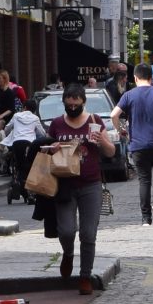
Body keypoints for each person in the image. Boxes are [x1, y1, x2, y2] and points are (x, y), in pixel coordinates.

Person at [41, 82, 117, 293]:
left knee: (88, 233)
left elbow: (111, 152)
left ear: (83, 102)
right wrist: (52, 148)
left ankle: (85, 276)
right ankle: (68, 254)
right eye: (69, 105)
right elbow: (45, 151)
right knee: (66, 231)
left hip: (91, 183)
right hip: (65, 184)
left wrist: (102, 141)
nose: (73, 108)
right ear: (64, 103)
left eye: (76, 104)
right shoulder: (57, 124)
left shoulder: (94, 121)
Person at [117, 62, 153, 224]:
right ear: (151, 77)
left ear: (135, 78)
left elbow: (114, 114)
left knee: (144, 180)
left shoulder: (128, 95)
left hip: (138, 145)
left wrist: (121, 130)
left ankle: (146, 218)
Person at [0, 86, 48, 206]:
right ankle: (30, 192)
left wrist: (11, 134)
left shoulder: (16, 116)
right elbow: (42, 133)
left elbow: (7, 128)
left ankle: (20, 186)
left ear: (24, 107)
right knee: (30, 166)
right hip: (29, 144)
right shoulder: (35, 118)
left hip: (16, 143)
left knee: (19, 166)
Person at [0, 62, 27, 172]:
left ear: (5, 79)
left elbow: (11, 109)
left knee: (3, 143)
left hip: (4, 122)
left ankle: (6, 166)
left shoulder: (9, 93)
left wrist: (1, 116)